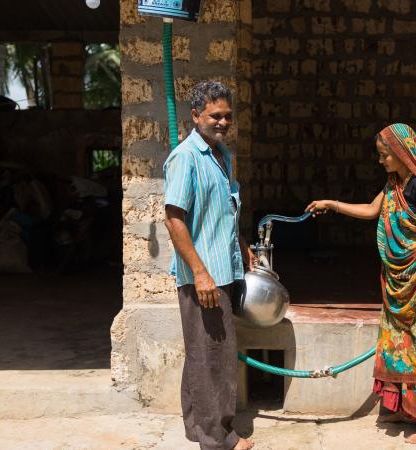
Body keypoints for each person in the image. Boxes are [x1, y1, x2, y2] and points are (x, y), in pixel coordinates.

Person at [306, 123, 416, 444]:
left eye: (385, 156)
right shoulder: (396, 182)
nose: (381, 161)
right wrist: (332, 205)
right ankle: (407, 410)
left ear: (402, 154)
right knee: (404, 342)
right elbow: (372, 209)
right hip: (405, 283)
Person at [163, 81, 255, 450]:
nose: (222, 122)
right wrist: (200, 272)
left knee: (202, 354)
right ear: (196, 115)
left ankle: (196, 427)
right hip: (205, 275)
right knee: (214, 358)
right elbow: (173, 218)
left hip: (223, 267)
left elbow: (224, 211)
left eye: (227, 116)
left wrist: (243, 245)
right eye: (215, 115)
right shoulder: (185, 157)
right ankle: (218, 438)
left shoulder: (221, 155)